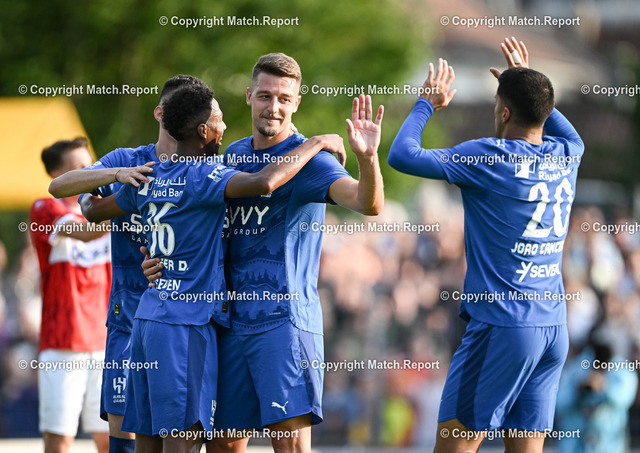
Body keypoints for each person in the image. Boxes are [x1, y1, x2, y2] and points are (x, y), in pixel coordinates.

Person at [143, 53, 384, 453]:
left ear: (296, 103)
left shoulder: (313, 161)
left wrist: (368, 158)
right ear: (249, 96)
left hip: (283, 325)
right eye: (266, 96)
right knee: (222, 445)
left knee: (289, 446)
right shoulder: (230, 155)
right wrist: (159, 257)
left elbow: (367, 203)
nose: (274, 107)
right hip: (227, 323)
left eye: (284, 99)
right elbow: (189, 215)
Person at [86, 82, 346, 453]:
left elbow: (90, 208)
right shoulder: (205, 176)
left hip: (146, 318)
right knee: (183, 440)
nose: (225, 127)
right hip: (185, 325)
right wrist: (315, 142)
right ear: (203, 131)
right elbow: (265, 182)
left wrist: (152, 243)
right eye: (219, 120)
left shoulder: (147, 175)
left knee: (147, 442)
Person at [388, 38, 584, 453]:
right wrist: (527, 81)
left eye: (498, 104)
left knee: (455, 447)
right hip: (552, 330)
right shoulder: (568, 153)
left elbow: (401, 155)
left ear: (504, 112)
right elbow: (549, 116)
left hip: (503, 327)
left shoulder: (488, 157)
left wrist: (426, 103)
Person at [48, 75, 207, 453]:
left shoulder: (204, 168)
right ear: (160, 113)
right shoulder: (127, 159)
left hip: (183, 323)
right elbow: (60, 187)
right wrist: (116, 175)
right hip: (127, 319)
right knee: (124, 437)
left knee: (181, 438)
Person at [30, 137, 111, 453]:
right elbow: (86, 233)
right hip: (63, 344)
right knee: (60, 439)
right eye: (80, 167)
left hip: (107, 342)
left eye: (91, 164)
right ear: (57, 176)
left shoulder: (106, 206)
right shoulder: (44, 209)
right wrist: (126, 205)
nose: (91, 172)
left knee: (112, 437)